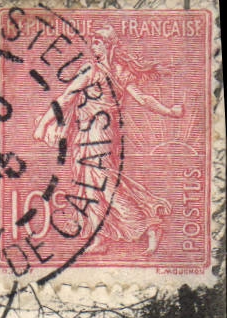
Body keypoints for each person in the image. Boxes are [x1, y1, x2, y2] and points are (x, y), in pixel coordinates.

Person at [34, 25, 186, 255]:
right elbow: (66, 98)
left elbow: (143, 99)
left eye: (98, 42)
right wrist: (44, 122)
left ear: (109, 45)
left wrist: (170, 111)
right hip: (84, 134)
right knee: (88, 183)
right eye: (92, 42)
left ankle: (150, 225)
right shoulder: (90, 70)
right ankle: (99, 237)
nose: (93, 46)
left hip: (102, 134)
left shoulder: (115, 72)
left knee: (103, 183)